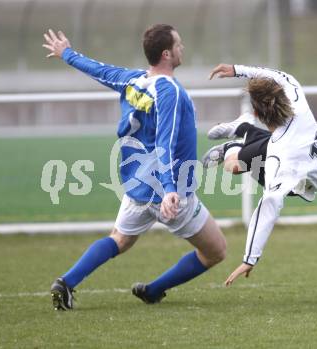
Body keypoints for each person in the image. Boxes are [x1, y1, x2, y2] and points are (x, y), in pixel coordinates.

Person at [43, 25, 226, 310]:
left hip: (137, 187)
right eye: (179, 43)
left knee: (119, 240)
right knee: (216, 251)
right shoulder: (171, 92)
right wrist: (168, 191)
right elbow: (164, 145)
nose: (183, 47)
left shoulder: (132, 80)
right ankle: (154, 290)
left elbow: (98, 70)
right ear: (166, 53)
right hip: (172, 191)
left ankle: (66, 282)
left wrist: (66, 53)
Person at [202, 64, 317, 286]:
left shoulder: (278, 158)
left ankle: (241, 132)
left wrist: (250, 258)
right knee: (234, 166)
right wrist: (237, 70)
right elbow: (280, 76)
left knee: (232, 166)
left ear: (258, 113)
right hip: (296, 159)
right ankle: (237, 137)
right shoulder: (297, 105)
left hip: (293, 166)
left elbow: (270, 203)